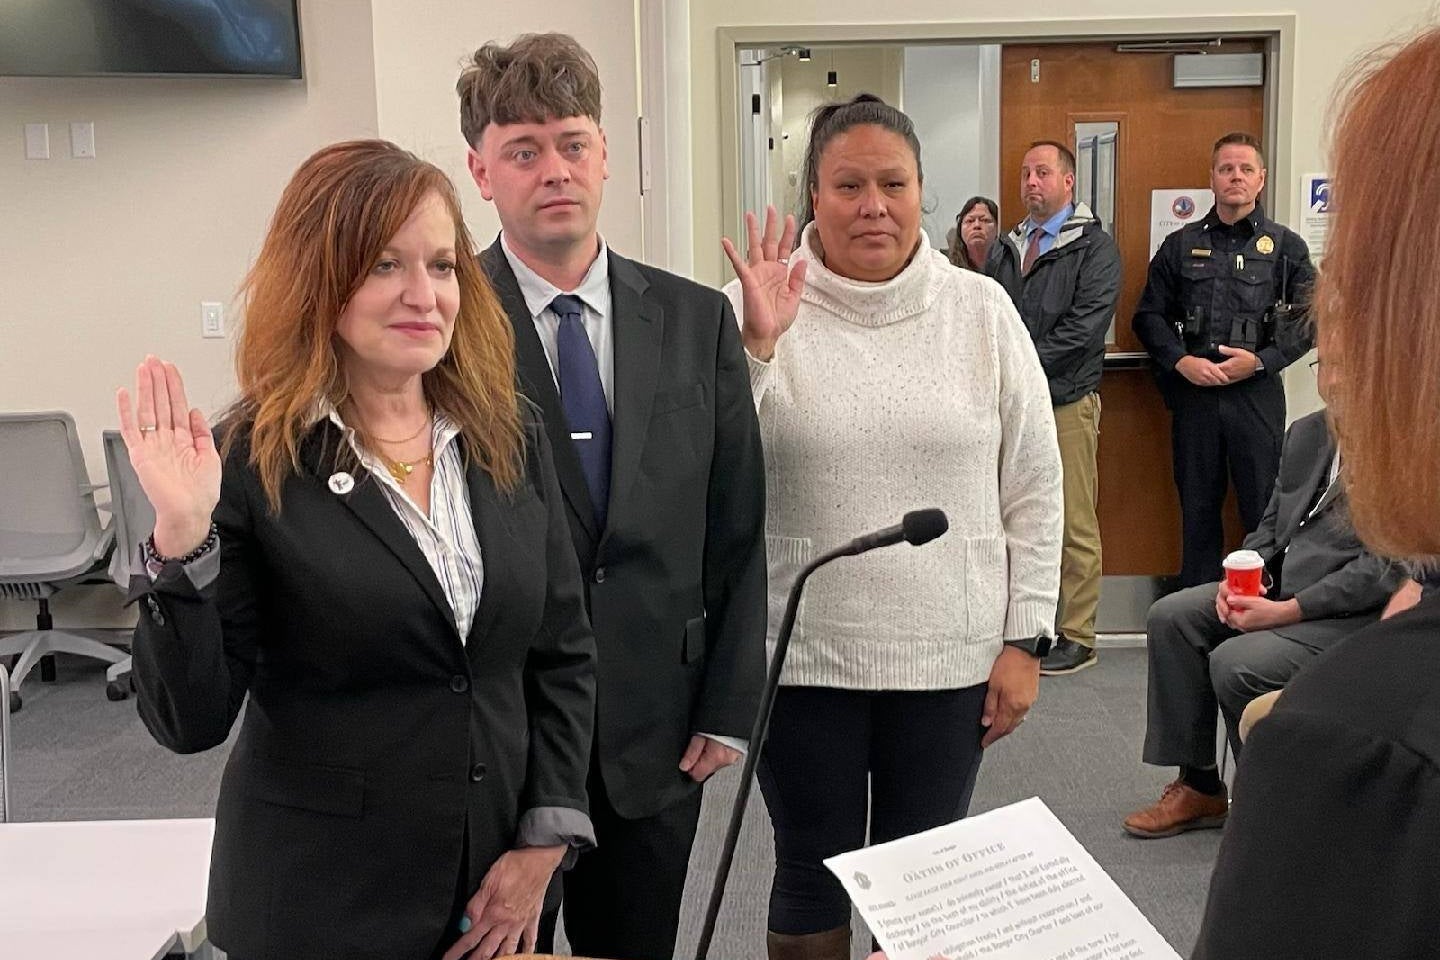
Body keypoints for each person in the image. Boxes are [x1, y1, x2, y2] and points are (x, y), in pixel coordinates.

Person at [118, 140, 597, 960]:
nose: (424, 295)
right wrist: (183, 539)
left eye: (442, 266)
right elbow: (189, 721)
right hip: (320, 903)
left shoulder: (506, 437)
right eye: (384, 265)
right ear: (320, 278)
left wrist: (542, 844)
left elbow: (560, 654)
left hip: (495, 899)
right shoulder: (250, 458)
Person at [722, 93, 1063, 960]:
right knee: (812, 866)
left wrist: (1027, 638)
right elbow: (710, 472)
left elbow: (1033, 481)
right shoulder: (753, 306)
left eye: (893, 183)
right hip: (802, 652)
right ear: (812, 196)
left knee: (930, 876)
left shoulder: (981, 311)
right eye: (847, 185)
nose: (872, 204)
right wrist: (758, 350)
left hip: (950, 650)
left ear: (922, 193)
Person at [457, 33, 768, 960]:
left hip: (657, 729)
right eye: (523, 150)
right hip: (497, 738)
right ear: (481, 170)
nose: (554, 170)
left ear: (605, 156)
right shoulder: (444, 324)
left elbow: (738, 524)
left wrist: (725, 704)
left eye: (572, 144)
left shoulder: (693, 317)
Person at [1192, 27, 1440, 958]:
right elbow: (1268, 524)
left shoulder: (1357, 743)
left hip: (1333, 628)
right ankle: (1191, 777)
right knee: (1188, 615)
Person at [1123, 351, 1401, 840]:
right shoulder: (1309, 433)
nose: (1331, 379)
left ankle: (1266, 807)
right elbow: (1273, 524)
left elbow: (1381, 570)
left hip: (1350, 615)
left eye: (1344, 366)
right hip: (1283, 591)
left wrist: (1287, 610)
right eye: (1324, 366)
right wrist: (1247, 579)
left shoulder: (1399, 450)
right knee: (1173, 616)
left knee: (1237, 661)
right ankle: (1200, 785)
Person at [1133, 133, 1316, 589]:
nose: (1236, 177)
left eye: (1246, 169)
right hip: (1196, 397)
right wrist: (1180, 362)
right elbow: (1148, 316)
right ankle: (1194, 612)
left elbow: (1313, 320)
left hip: (1256, 397)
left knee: (1264, 510)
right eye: (1226, 169)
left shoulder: (1287, 248)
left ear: (1261, 180)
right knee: (1197, 510)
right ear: (1211, 179)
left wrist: (1260, 361)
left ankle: (1265, 612)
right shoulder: (1180, 246)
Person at [987, 140, 1121, 675]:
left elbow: (1085, 330)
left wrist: (1017, 364)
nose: (1031, 182)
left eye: (1042, 172)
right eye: (1024, 173)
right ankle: (1020, 625)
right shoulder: (1007, 246)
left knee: (1072, 521)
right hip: (1005, 405)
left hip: (1065, 401)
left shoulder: (1095, 249)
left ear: (1068, 182)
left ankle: (1078, 634)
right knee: (1009, 513)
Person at [949, 195, 998, 271]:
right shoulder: (947, 268)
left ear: (998, 227)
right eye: (970, 221)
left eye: (985, 220)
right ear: (960, 229)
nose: (977, 225)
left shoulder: (1011, 266)